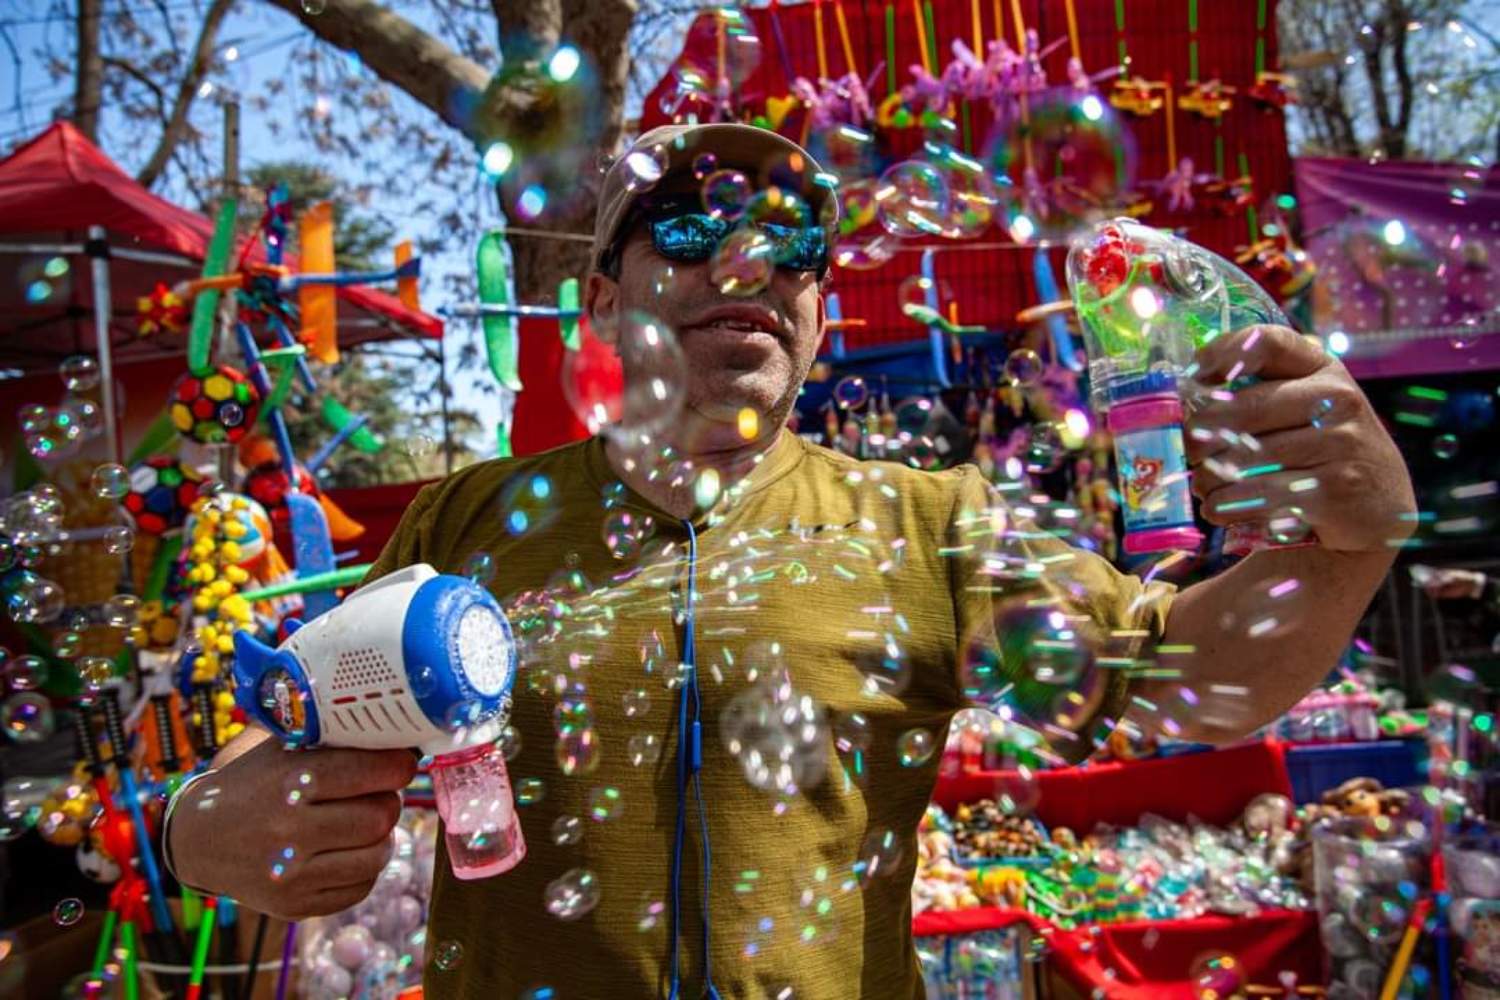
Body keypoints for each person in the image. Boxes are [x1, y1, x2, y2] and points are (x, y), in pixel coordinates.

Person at [165, 123, 1416, 998]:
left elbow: (1196, 672)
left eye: (792, 238)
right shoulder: (469, 519)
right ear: (600, 306)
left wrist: (1355, 538)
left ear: (820, 316)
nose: (749, 259)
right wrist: (196, 818)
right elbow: (293, 715)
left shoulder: (937, 520)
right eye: (692, 223)